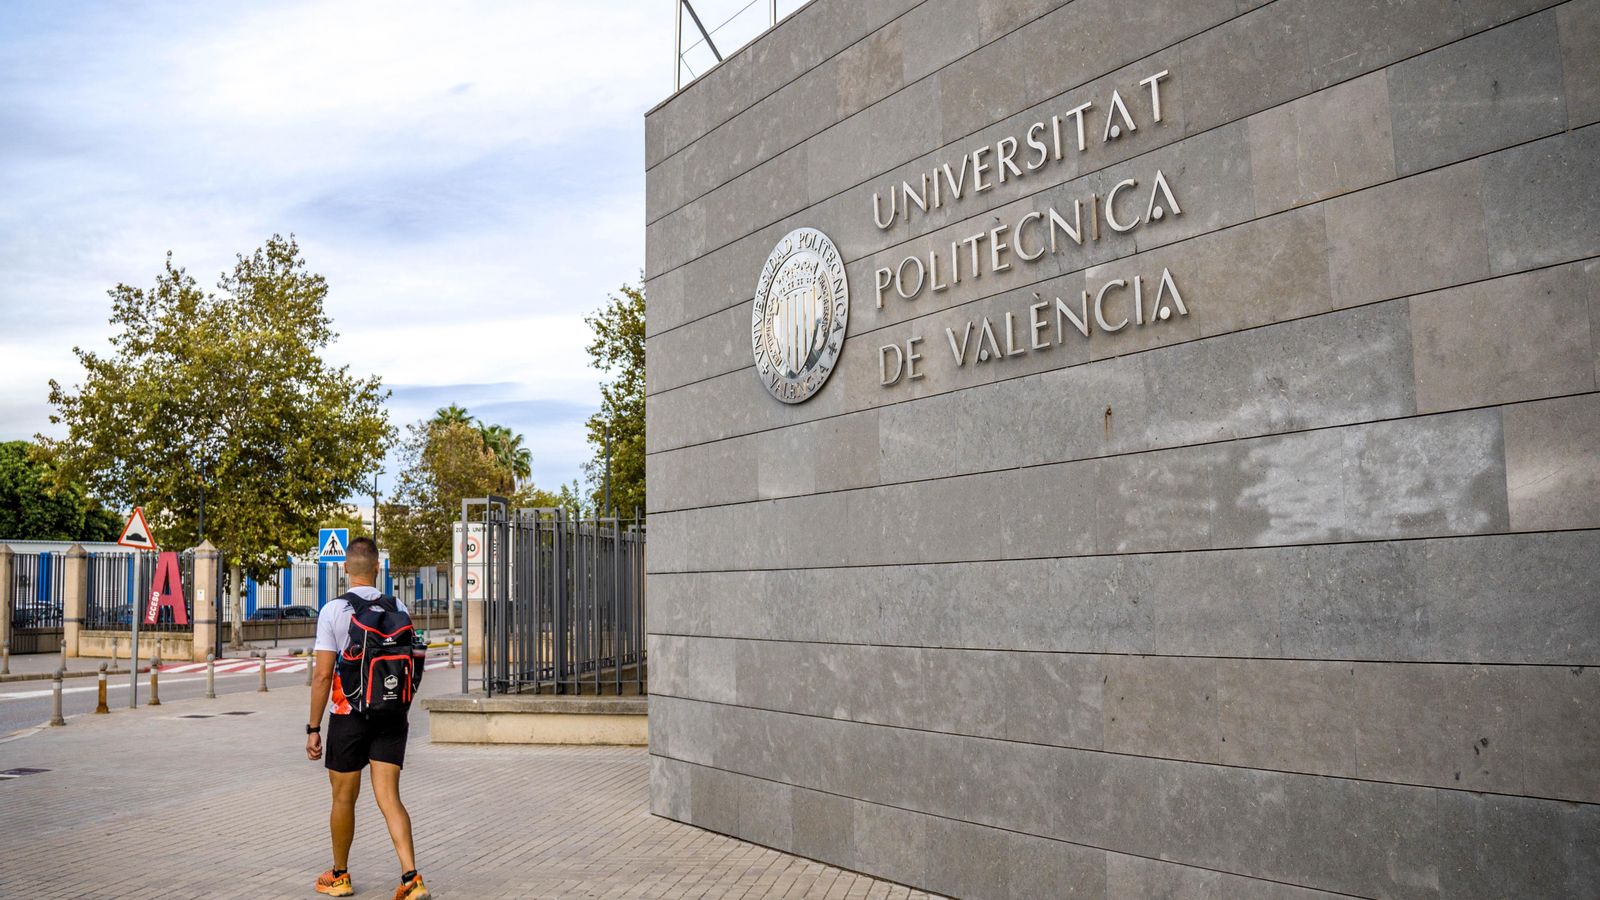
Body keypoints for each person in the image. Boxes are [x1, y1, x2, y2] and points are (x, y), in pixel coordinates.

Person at [305, 536, 430, 900]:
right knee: (389, 796)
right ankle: (411, 878)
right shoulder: (398, 606)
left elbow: (323, 677)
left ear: (345, 568)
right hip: (392, 711)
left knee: (344, 798)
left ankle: (340, 875)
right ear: (378, 568)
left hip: (348, 714)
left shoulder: (333, 611)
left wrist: (314, 729)